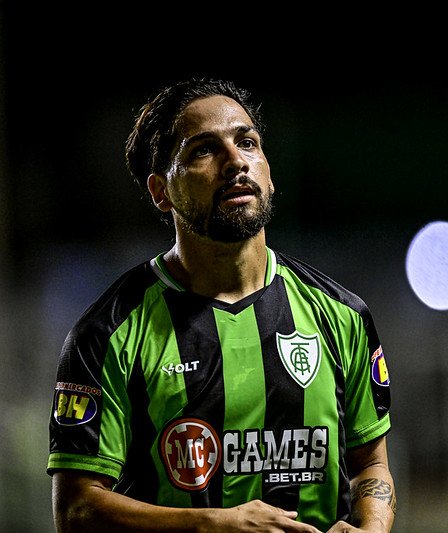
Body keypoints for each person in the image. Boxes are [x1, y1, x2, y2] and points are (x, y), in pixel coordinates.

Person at [47, 78, 397, 532]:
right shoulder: (106, 333)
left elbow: (371, 466)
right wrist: (212, 524)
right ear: (161, 192)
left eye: (247, 143)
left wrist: (371, 528)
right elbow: (77, 511)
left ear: (269, 171)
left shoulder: (341, 314)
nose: (236, 162)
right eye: (203, 151)